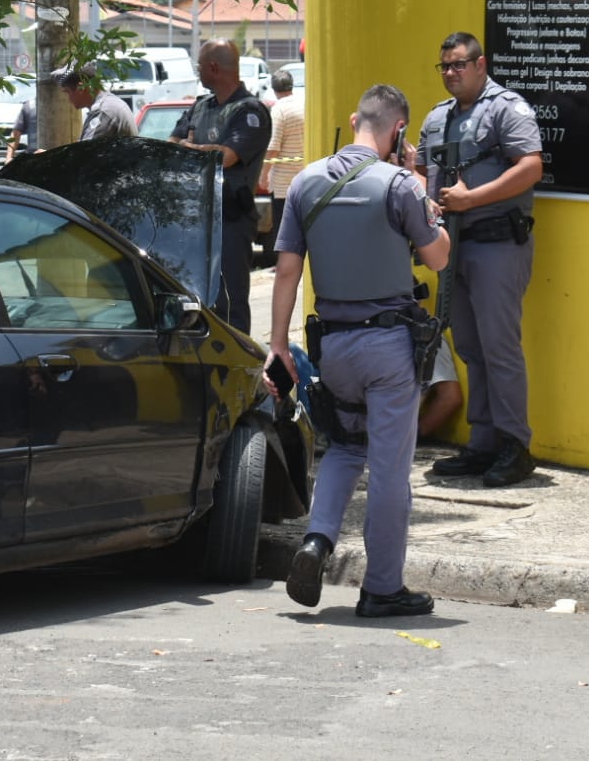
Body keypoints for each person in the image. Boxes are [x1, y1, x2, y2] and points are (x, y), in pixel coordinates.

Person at [265, 84, 449, 616]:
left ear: (353, 120)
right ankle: (383, 587)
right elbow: (438, 258)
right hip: (389, 347)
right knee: (390, 468)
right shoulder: (399, 186)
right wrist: (420, 181)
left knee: (346, 447)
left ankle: (317, 541)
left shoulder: (305, 181)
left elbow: (285, 270)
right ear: (398, 132)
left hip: (333, 345)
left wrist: (278, 346)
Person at [417, 32, 544, 487]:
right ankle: (485, 442)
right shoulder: (437, 119)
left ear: (480, 64)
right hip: (453, 247)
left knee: (500, 347)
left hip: (496, 245)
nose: (451, 72)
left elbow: (530, 166)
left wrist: (472, 200)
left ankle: (515, 444)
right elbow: (420, 169)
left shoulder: (506, 108)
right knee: (470, 348)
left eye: (459, 64)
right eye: (444, 66)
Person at [170, 39, 271, 334]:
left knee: (229, 301)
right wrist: (194, 148)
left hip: (230, 220)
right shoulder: (200, 107)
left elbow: (224, 157)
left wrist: (190, 147)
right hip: (192, 221)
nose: (198, 72)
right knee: (192, 302)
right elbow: (171, 145)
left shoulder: (249, 111)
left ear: (213, 68)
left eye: (200, 66)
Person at [255, 67, 304, 269]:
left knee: (284, 229)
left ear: (274, 89)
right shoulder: (304, 104)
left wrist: (264, 175)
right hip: (304, 177)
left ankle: (284, 265)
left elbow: (273, 148)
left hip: (284, 182)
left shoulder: (279, 110)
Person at [53, 63, 135, 141]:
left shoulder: (103, 111)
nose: (69, 99)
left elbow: (86, 153)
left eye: (68, 92)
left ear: (80, 88)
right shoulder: (108, 104)